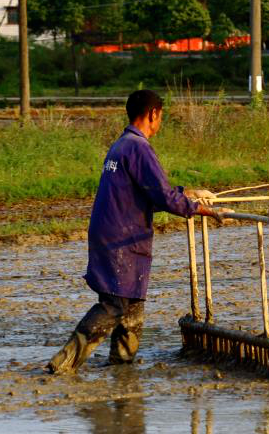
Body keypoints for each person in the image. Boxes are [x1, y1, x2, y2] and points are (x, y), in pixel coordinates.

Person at [47, 89, 230, 375]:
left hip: (115, 232)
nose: (160, 122)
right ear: (153, 114)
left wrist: (189, 193)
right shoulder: (139, 148)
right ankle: (65, 361)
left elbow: (152, 192)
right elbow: (164, 198)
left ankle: (122, 366)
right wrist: (204, 209)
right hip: (120, 237)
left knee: (132, 305)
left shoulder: (122, 145)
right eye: (161, 117)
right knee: (113, 305)